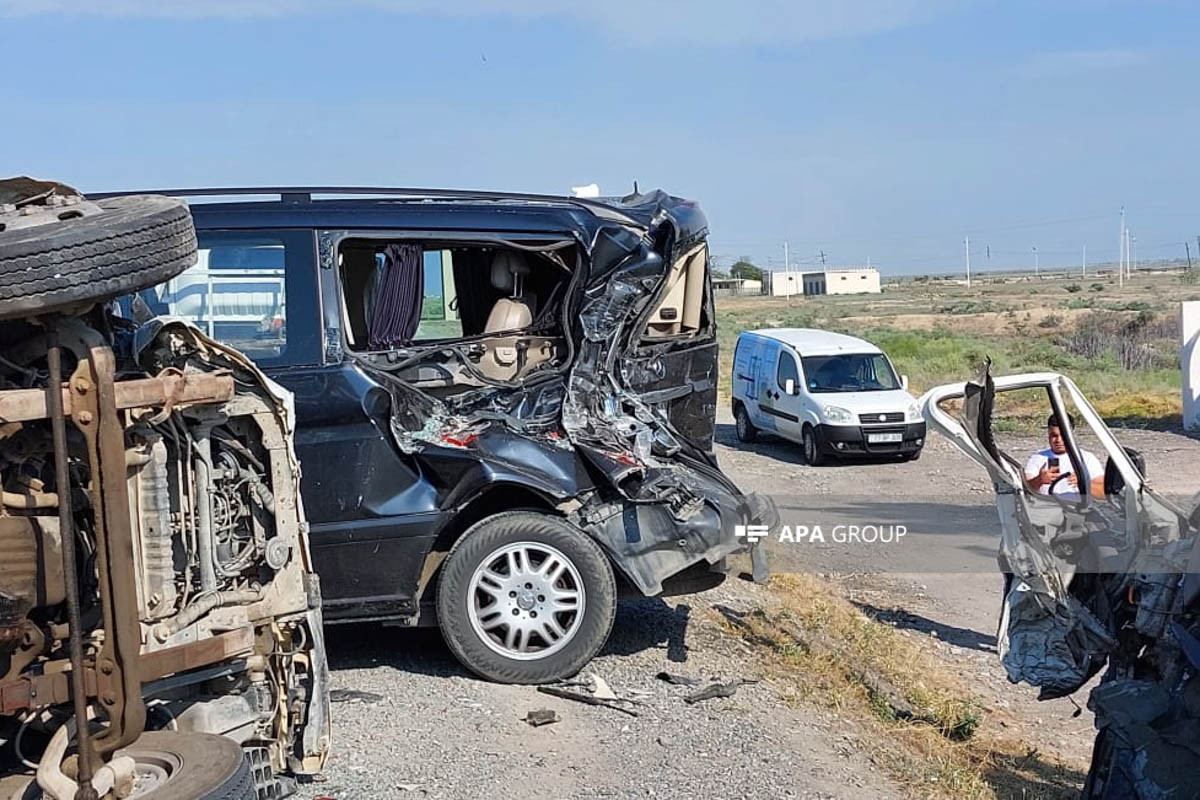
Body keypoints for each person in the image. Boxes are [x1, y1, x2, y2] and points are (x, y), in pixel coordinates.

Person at [1024, 412, 1105, 501]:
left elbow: (1104, 493)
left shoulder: (1087, 458)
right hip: (1047, 508)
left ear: (1071, 435)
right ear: (1048, 435)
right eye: (1054, 436)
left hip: (1076, 510)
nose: (1059, 440)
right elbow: (1024, 490)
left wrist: (1084, 484)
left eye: (1063, 435)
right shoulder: (1038, 458)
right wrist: (1039, 480)